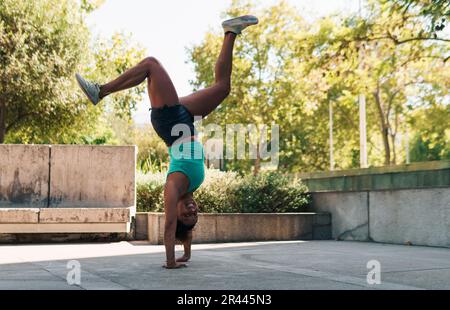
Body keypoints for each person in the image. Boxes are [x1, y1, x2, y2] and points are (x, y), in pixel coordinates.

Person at [75, 15, 258, 269]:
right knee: (222, 87)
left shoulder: (174, 186)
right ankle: (231, 32)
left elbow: (171, 226)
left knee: (151, 64)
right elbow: (185, 230)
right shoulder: (194, 184)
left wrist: (171, 262)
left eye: (186, 213)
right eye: (195, 214)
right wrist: (187, 254)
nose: (192, 210)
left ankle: (100, 91)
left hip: (171, 123)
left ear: (178, 212)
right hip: (185, 120)